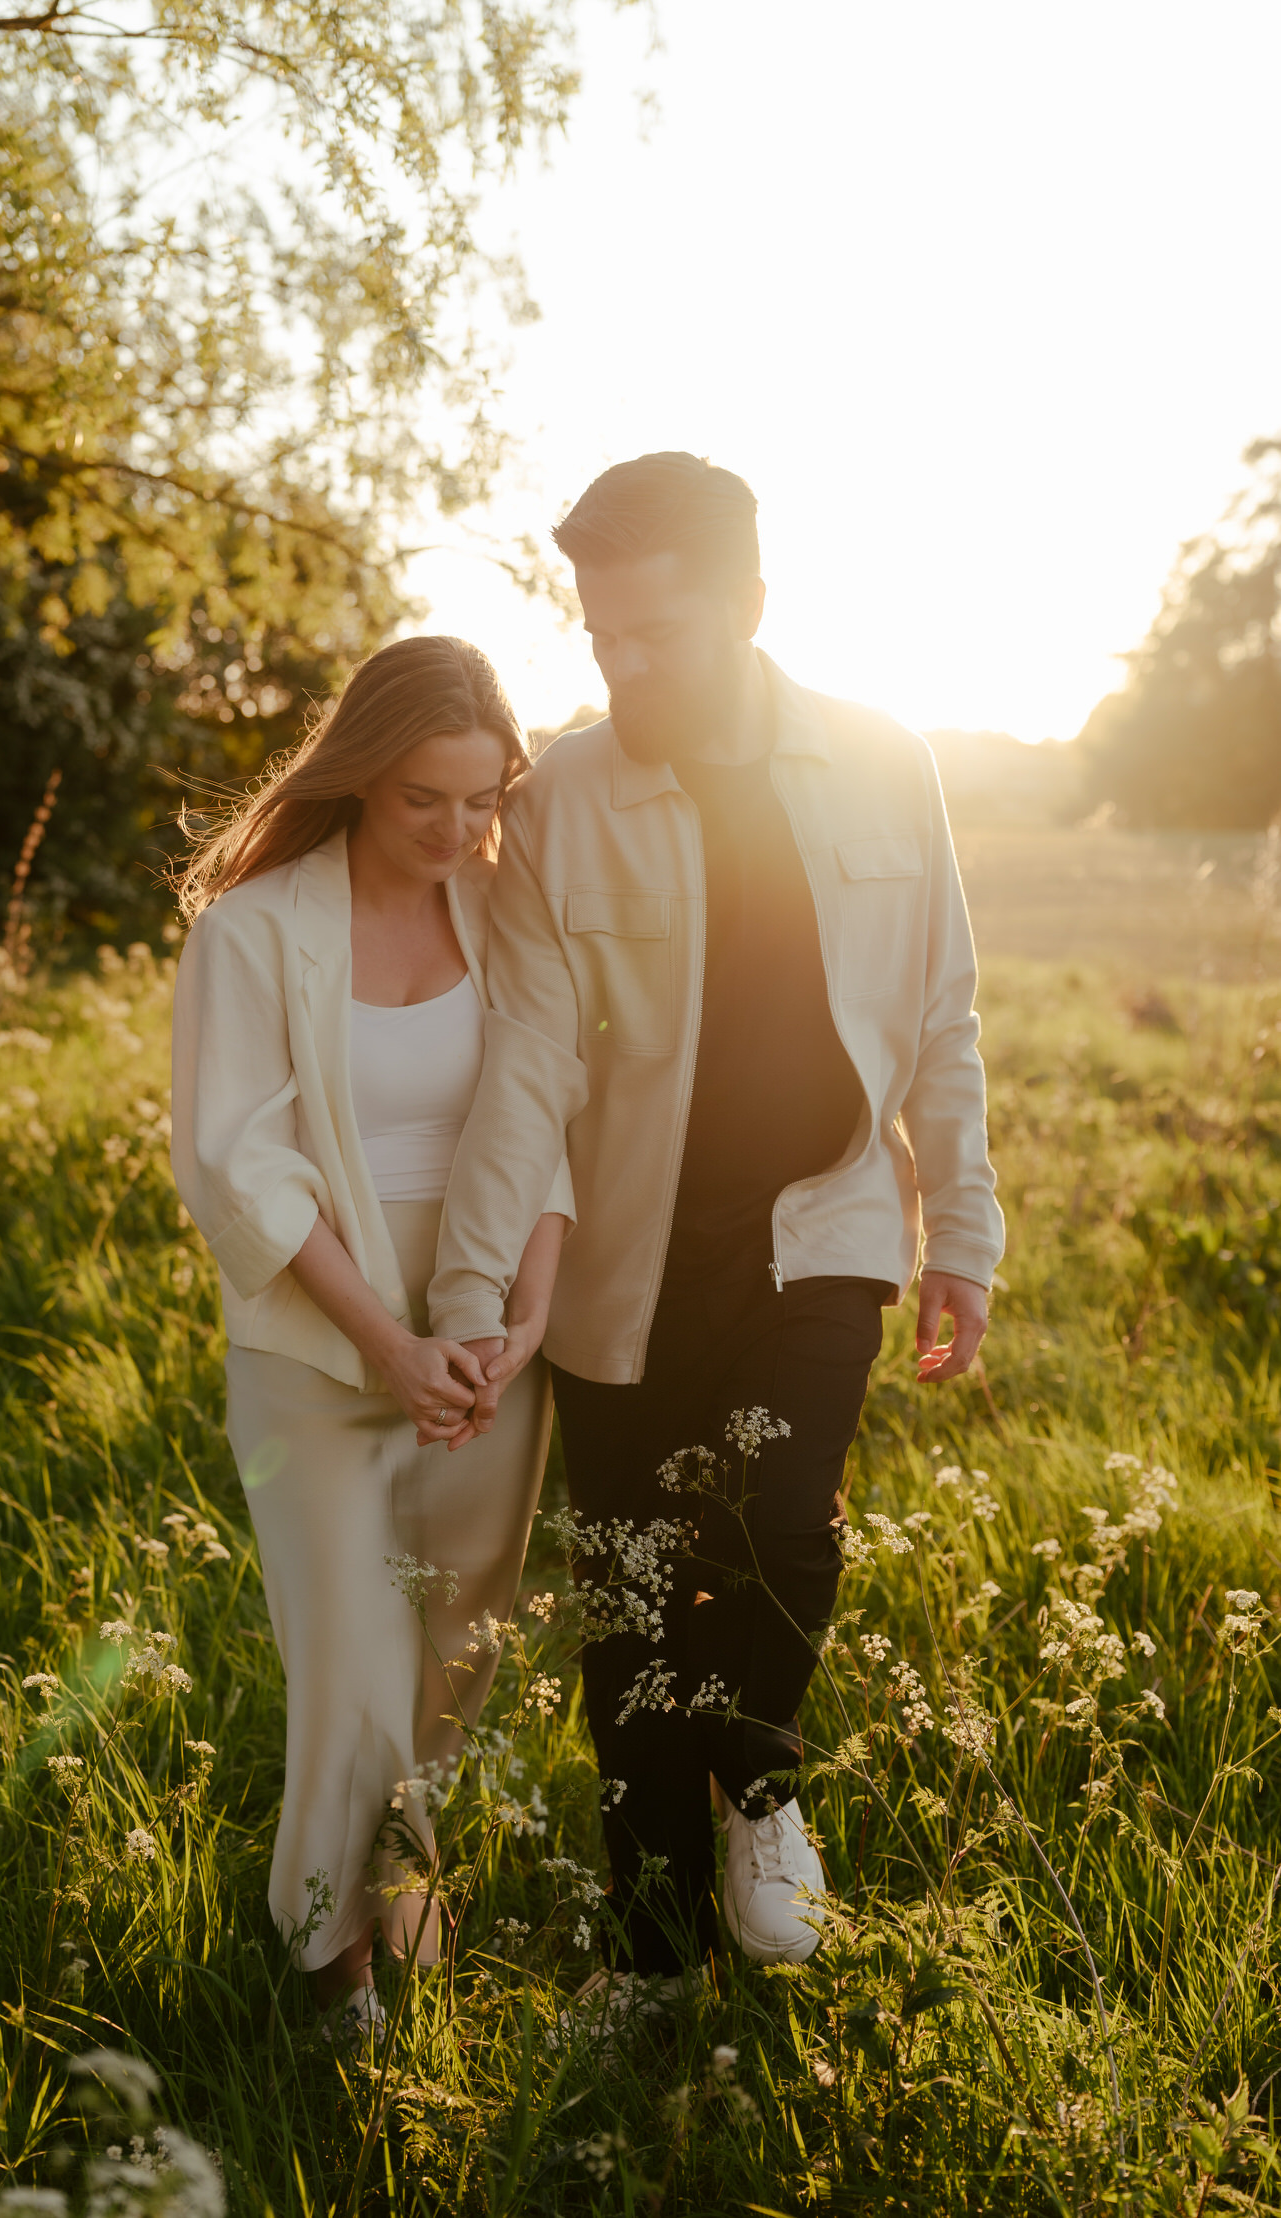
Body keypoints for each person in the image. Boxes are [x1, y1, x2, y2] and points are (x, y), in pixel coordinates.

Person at [429, 452, 1005, 2005]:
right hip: (625, 1260)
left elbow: (942, 1015)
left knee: (776, 1517)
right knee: (629, 1601)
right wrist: (476, 1286)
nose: (624, 667)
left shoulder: (887, 761)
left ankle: (760, 1785)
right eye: (602, 635)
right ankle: (654, 1961)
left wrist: (963, 1231)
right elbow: (529, 1066)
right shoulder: (560, 801)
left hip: (826, 1224)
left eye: (658, 635)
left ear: (750, 605)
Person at [169, 636, 572, 2040]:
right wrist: (389, 1346)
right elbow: (236, 1164)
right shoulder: (251, 933)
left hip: (487, 1335)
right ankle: (330, 1958)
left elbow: (543, 1116)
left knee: (453, 1658)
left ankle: (403, 1890)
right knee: (352, 1672)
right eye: (424, 799)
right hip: (316, 1343)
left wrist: (526, 1313)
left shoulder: (509, 912)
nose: (459, 829)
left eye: (483, 798)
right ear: (357, 776)